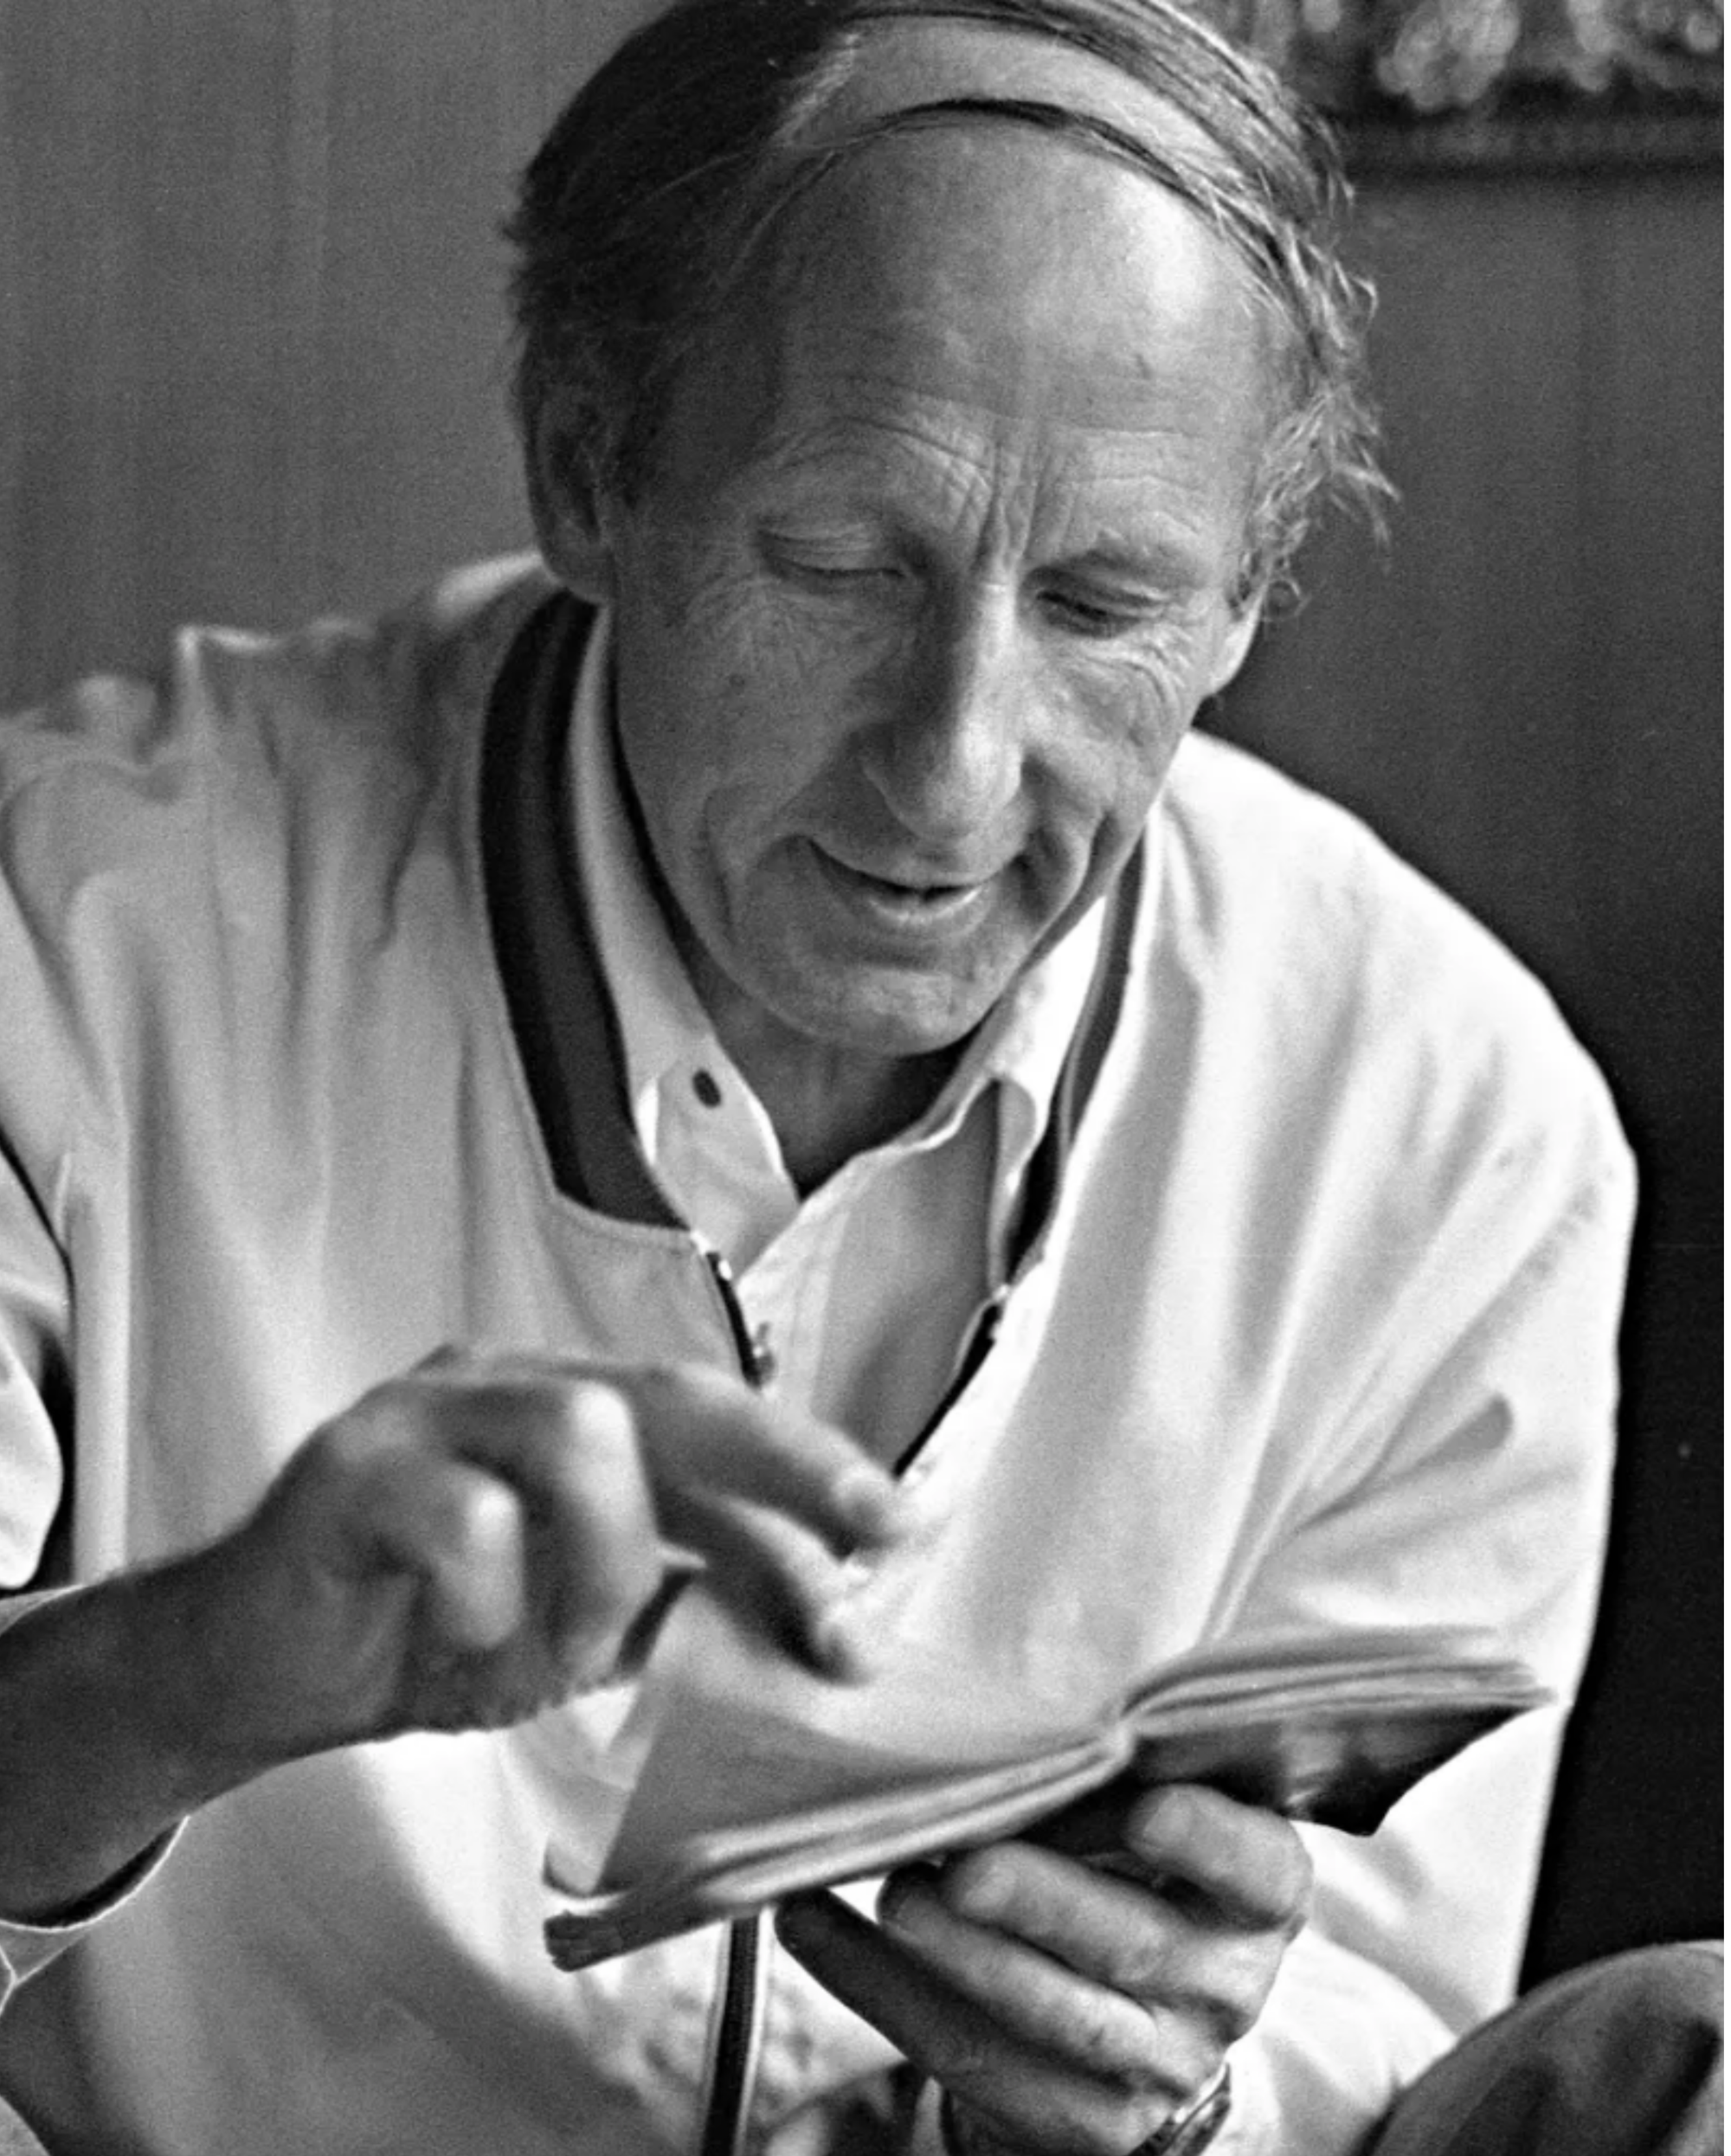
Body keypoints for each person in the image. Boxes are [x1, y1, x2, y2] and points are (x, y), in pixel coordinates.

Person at [0, 1, 1716, 2151]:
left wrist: (1161, 2090)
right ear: (589, 470)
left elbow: (1382, 2030)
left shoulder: (1448, 1119)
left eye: (1104, 602)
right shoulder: (69, 939)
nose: (951, 777)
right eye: (838, 565)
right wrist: (175, 1676)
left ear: (1246, 604)